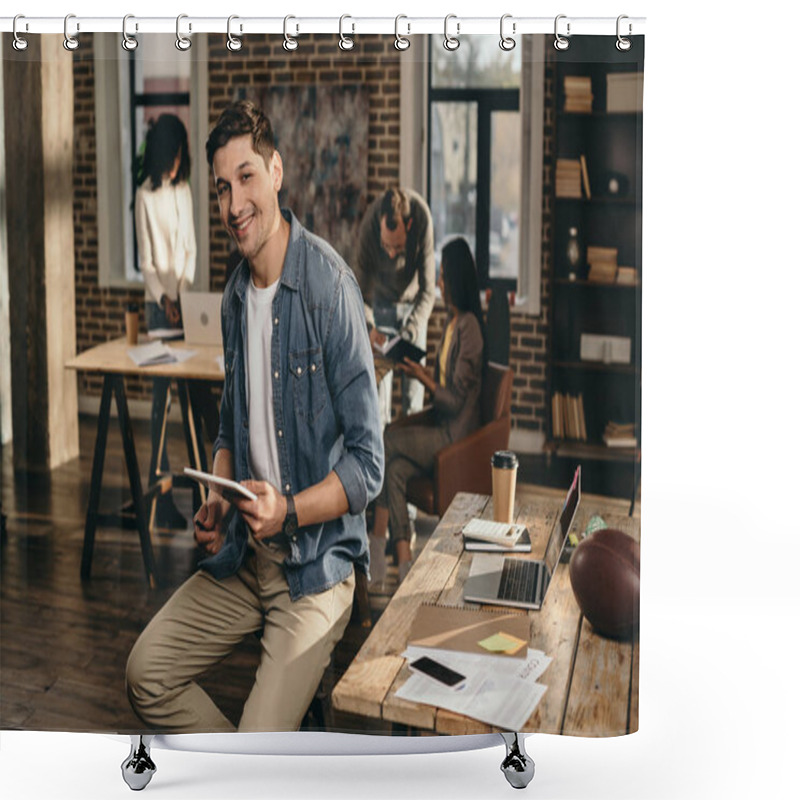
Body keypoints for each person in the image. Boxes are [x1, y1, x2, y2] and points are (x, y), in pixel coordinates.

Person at [125, 101, 383, 733]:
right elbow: (228, 430)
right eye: (220, 187)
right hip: (247, 556)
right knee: (146, 674)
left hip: (317, 570)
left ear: (276, 173)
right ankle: (256, 767)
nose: (233, 202)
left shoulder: (329, 286)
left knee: (252, 751)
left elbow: (368, 464)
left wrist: (288, 510)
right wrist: (219, 492)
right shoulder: (237, 294)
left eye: (245, 178)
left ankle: (255, 764)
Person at [369, 237, 486, 587]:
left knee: (387, 436)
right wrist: (418, 370)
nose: (439, 284)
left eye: (443, 277)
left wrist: (423, 378)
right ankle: (405, 566)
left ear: (455, 279)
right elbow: (445, 389)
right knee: (396, 470)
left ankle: (375, 543)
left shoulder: (470, 329)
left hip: (455, 438)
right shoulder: (453, 323)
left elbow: (453, 402)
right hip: (440, 426)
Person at [134, 113, 197, 529]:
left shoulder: (184, 190)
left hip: (185, 303)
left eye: (180, 157)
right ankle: (162, 494)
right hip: (160, 309)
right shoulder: (144, 196)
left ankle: (201, 490)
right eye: (171, 157)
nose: (176, 164)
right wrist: (165, 298)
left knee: (189, 399)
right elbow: (147, 263)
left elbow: (189, 249)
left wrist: (183, 295)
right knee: (161, 402)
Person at [354, 187, 435, 428]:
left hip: (413, 311)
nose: (390, 254)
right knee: (378, 406)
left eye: (397, 248)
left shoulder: (422, 219)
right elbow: (356, 292)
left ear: (408, 227)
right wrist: (369, 328)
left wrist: (409, 332)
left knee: (413, 403)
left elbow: (428, 292)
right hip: (380, 312)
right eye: (386, 246)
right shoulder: (369, 226)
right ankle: (382, 465)